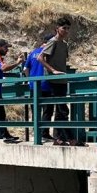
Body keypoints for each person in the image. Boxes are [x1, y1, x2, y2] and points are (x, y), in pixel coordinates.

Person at [38, 16, 80, 146]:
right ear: (57, 29)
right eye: (64, 28)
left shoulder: (64, 44)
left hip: (62, 80)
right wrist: (53, 70)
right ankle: (66, 138)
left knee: (61, 110)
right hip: (54, 81)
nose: (66, 31)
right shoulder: (53, 42)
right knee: (62, 109)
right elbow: (40, 58)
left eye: (68, 28)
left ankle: (60, 138)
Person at [0, 39, 25, 143]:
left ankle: (4, 135)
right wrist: (17, 63)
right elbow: (3, 68)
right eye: (5, 47)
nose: (7, 50)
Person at [24, 32, 54, 142]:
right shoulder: (48, 52)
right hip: (45, 84)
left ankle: (36, 134)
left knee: (35, 110)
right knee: (47, 110)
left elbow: (25, 69)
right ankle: (44, 134)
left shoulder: (32, 53)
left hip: (33, 86)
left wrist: (29, 81)